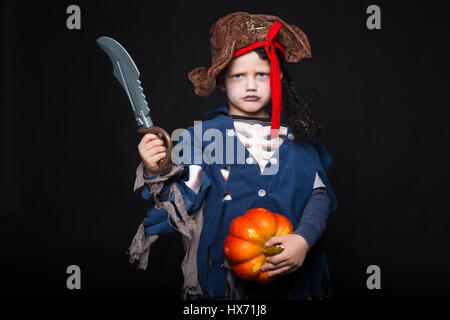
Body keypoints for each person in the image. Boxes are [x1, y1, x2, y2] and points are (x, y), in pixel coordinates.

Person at [128, 11, 337, 300]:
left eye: (261, 74)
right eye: (239, 75)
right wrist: (156, 169)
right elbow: (182, 201)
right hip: (223, 286)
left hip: (292, 287)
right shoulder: (201, 140)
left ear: (276, 76)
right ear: (222, 81)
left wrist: (303, 240)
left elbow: (319, 196)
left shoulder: (299, 141)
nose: (250, 85)